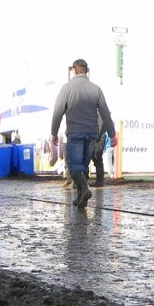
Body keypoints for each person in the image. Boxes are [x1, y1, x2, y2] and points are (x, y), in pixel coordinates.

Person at [49, 58, 117, 209]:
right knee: (84, 166)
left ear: (74, 70)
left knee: (74, 165)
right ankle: (81, 197)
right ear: (87, 70)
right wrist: (112, 134)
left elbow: (58, 112)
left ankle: (84, 190)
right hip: (92, 133)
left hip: (75, 132)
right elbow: (105, 113)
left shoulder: (66, 88)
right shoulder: (96, 89)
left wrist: (53, 133)